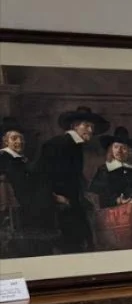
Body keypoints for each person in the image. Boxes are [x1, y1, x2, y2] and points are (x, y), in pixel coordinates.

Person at [36, 106, 110, 251]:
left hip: (72, 202)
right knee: (71, 245)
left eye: (92, 127)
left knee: (85, 242)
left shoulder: (76, 146)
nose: (91, 130)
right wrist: (54, 197)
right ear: (75, 126)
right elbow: (42, 174)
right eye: (86, 126)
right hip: (59, 204)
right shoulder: (57, 144)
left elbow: (72, 176)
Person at [0, 121, 58, 255]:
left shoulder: (20, 159)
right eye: (14, 138)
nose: (19, 142)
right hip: (19, 202)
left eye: (21, 138)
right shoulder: (4, 157)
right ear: (5, 141)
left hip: (29, 199)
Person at [89, 133, 132, 209]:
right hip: (113, 210)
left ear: (129, 152)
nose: (119, 151)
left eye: (123, 148)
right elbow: (98, 195)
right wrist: (117, 200)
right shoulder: (104, 170)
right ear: (111, 150)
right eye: (116, 147)